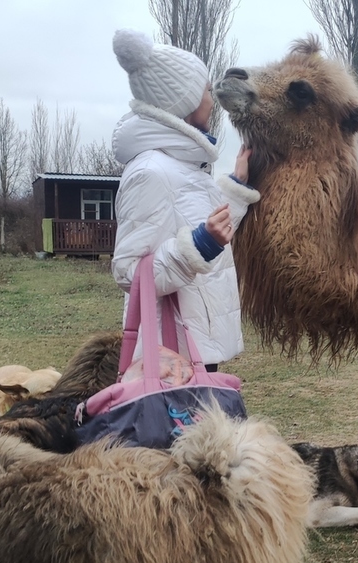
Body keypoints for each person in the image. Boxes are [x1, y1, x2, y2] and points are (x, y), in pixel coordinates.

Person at [110, 29, 258, 371]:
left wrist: (235, 188)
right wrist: (198, 246)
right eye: (207, 90)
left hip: (195, 348)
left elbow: (205, 230)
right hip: (171, 357)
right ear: (186, 101)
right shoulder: (151, 171)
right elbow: (129, 274)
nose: (212, 99)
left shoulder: (183, 166)